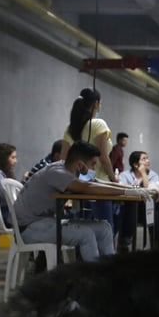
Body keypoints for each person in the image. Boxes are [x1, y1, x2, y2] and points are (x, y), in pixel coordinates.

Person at [13, 141, 145, 262]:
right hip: (28, 228)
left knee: (104, 228)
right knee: (86, 235)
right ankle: (93, 280)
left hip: (46, 222)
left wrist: (132, 188)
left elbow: (96, 182)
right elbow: (88, 187)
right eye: (93, 164)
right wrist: (127, 192)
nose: (94, 168)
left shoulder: (67, 168)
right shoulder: (57, 172)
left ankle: (110, 272)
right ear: (80, 164)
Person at [62, 88, 117, 228]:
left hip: (78, 187)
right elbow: (104, 158)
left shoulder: (70, 128)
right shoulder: (98, 124)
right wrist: (115, 181)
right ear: (96, 104)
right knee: (105, 228)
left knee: (81, 228)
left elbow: (63, 158)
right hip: (100, 186)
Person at [117, 150, 159, 252]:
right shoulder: (125, 175)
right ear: (135, 164)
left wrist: (143, 173)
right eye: (144, 159)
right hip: (131, 210)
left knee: (156, 209)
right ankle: (125, 241)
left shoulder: (153, 175)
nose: (148, 161)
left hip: (147, 210)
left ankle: (156, 243)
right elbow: (120, 188)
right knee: (128, 206)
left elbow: (149, 189)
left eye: (147, 158)